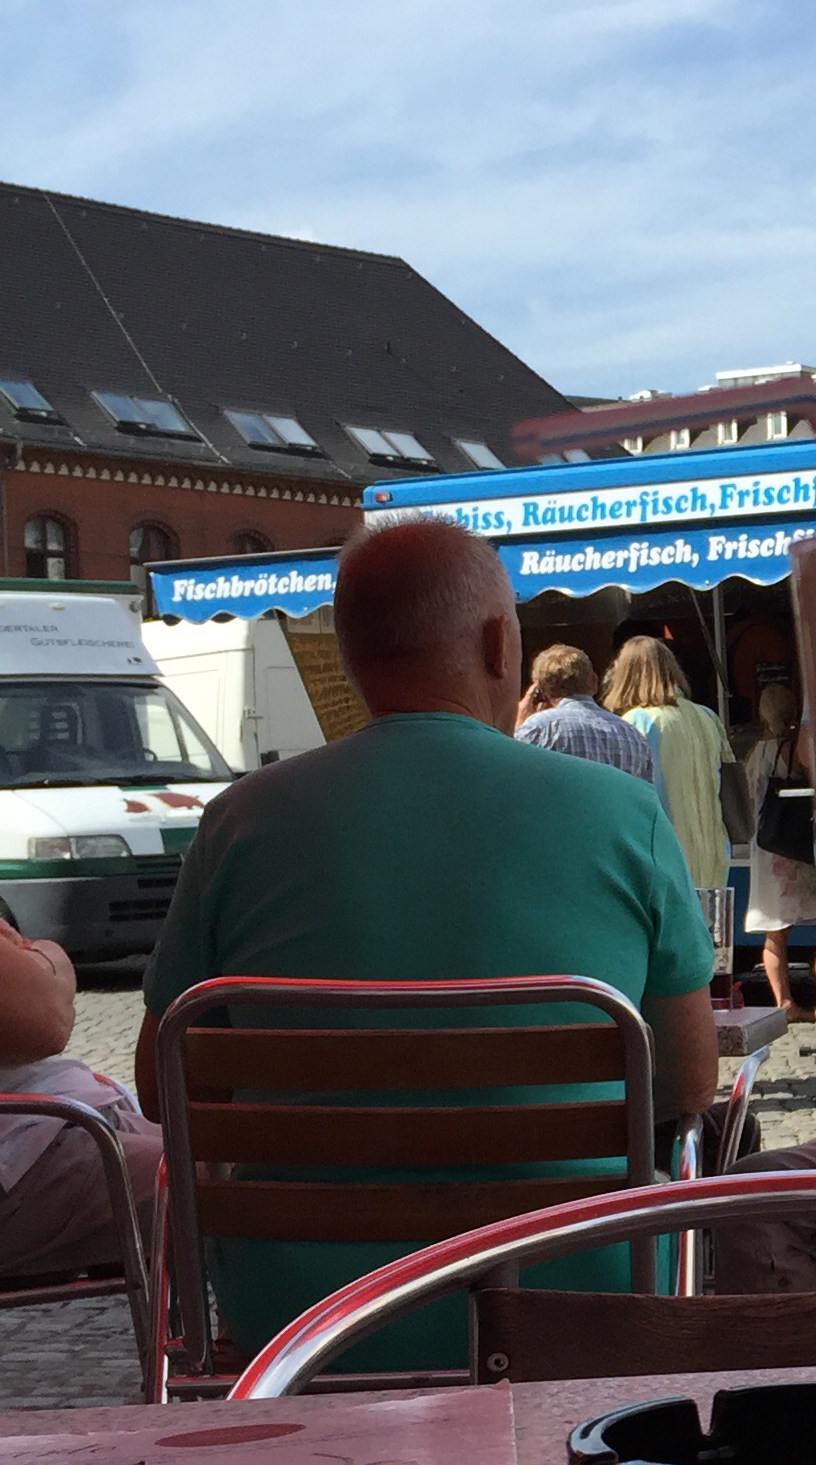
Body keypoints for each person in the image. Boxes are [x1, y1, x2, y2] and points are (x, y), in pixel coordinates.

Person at [137, 520, 715, 1370]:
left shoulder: (238, 823)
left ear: (349, 657)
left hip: (306, 1314)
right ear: (498, 644)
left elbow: (164, 1087)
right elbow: (691, 1081)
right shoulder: (621, 811)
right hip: (578, 1282)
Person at [0, 916, 157, 1287]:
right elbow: (44, 1019)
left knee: (225, 1157)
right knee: (232, 1177)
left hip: (47, 1134)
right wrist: (45, 957)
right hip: (24, 1154)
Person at [603, 635, 735, 897]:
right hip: (713, 852)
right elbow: (728, 777)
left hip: (661, 855)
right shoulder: (707, 716)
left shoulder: (635, 722)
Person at [740, 685, 816, 1025]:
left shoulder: (754, 753)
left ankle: (785, 1004)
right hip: (799, 850)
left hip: (767, 850)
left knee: (775, 934)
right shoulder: (795, 749)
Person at [516, 642, 661, 791]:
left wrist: (517, 726)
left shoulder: (537, 729)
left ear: (540, 690)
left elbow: (512, 779)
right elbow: (647, 797)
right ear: (594, 682)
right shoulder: (633, 736)